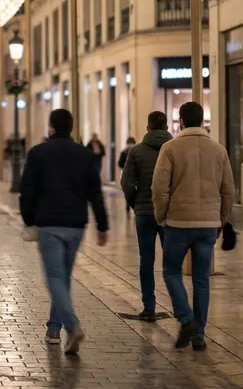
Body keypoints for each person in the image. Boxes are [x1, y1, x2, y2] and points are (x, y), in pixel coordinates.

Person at [19, 109, 108, 355]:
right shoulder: (85, 155)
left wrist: (28, 218)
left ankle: (72, 326)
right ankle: (53, 329)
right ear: (72, 127)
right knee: (63, 278)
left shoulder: (38, 153)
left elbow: (27, 189)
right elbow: (95, 193)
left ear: (52, 127)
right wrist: (102, 225)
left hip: (49, 224)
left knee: (55, 278)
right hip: (76, 225)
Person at [152, 102, 235, 351]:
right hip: (208, 224)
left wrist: (161, 216)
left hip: (178, 222)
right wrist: (221, 221)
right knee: (201, 279)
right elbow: (228, 191)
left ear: (180, 121)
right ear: (201, 121)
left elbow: (159, 189)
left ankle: (185, 317)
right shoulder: (218, 150)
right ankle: (199, 335)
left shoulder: (170, 148)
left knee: (171, 271)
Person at [120, 111, 172, 322]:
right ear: (166, 127)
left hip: (144, 213)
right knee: (171, 263)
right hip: (168, 214)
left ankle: (149, 307)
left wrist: (135, 204)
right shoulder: (174, 149)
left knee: (146, 260)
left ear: (147, 128)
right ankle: (179, 307)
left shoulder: (136, 151)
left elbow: (126, 183)